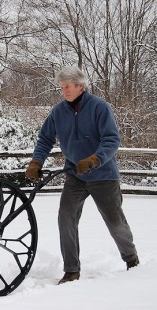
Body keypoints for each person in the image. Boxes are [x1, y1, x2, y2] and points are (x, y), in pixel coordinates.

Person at [25, 66, 139, 285]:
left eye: (67, 87)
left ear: (80, 85)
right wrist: (36, 161)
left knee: (115, 222)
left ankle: (131, 259)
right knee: (65, 218)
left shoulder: (99, 108)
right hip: (75, 176)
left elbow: (111, 139)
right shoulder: (58, 112)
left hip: (103, 175)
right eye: (61, 88)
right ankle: (71, 270)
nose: (64, 91)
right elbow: (45, 139)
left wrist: (95, 159)